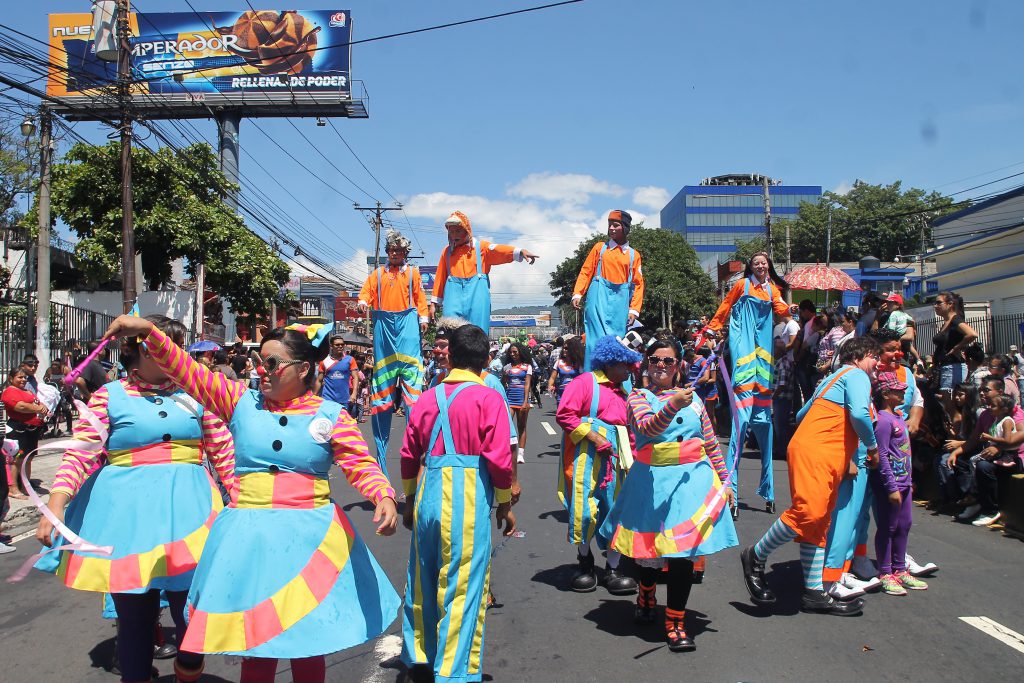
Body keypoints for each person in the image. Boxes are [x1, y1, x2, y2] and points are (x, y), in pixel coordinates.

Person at [101, 315, 401, 683]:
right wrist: (150, 333)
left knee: (308, 644)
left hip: (310, 538)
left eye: (272, 363)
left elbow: (360, 463)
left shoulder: (332, 416)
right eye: (260, 361)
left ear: (303, 368)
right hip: (249, 540)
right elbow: (187, 371)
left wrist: (383, 494)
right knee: (256, 646)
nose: (262, 370)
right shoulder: (239, 400)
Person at [35, 315, 237, 683]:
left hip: (192, 515)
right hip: (127, 521)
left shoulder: (197, 395)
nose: (179, 355)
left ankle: (189, 666)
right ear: (143, 349)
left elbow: (225, 454)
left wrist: (245, 505)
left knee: (194, 609)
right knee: (134, 617)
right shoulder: (108, 396)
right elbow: (80, 454)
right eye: (171, 346)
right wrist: (56, 504)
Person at [602, 340, 737, 652]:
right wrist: (673, 404)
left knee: (682, 555)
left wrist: (725, 480)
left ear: (679, 366)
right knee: (649, 553)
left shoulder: (695, 400)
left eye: (668, 361)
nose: (661, 366)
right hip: (651, 484)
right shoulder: (638, 397)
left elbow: (709, 442)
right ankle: (646, 594)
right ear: (647, 364)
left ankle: (675, 622)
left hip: (691, 484)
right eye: (655, 360)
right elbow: (648, 429)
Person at [399, 323, 515, 683]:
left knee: (423, 577)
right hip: (466, 497)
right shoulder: (489, 398)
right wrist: (505, 503)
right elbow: (499, 459)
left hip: (428, 493)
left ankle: (420, 655)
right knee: (462, 585)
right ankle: (452, 671)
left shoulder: (427, 397)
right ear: (486, 360)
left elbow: (408, 454)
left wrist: (410, 499)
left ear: (451, 355)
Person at [740, 336, 880, 617]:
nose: (877, 365)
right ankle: (755, 554)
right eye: (875, 358)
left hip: (821, 453)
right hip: (818, 453)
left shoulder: (830, 379)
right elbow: (860, 414)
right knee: (809, 513)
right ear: (862, 355)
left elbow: (804, 413)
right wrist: (872, 446)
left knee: (817, 523)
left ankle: (815, 593)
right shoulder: (856, 374)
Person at [555, 335, 641, 595]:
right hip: (585, 457)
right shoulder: (585, 383)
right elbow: (565, 414)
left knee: (615, 511)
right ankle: (585, 561)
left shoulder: (626, 393)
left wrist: (634, 458)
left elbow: (631, 431)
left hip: (617, 461)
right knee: (583, 511)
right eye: (625, 364)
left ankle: (613, 568)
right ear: (611, 362)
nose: (630, 370)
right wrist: (594, 437)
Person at [708, 252, 790, 516]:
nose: (761, 266)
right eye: (756, 263)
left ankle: (768, 490)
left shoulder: (773, 289)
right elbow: (725, 306)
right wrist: (713, 327)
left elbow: (781, 309)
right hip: (744, 347)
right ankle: (731, 488)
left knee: (764, 422)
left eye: (764, 262)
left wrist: (790, 313)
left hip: (763, 356)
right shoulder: (742, 286)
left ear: (769, 266)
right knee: (740, 424)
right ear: (751, 267)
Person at [429, 211, 538, 333]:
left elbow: (498, 250)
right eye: (451, 232)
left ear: (467, 230)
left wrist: (519, 251)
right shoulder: (447, 252)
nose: (454, 235)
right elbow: (440, 278)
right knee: (449, 330)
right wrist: (433, 304)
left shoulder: (481, 248)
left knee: (478, 331)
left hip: (477, 296)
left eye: (458, 231)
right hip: (453, 297)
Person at [871, 372, 928, 595]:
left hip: (904, 482)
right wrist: (891, 486)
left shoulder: (898, 418)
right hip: (890, 485)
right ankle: (885, 572)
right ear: (886, 394)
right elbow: (882, 455)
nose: (903, 392)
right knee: (888, 527)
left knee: (904, 525)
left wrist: (908, 481)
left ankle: (900, 568)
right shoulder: (883, 422)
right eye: (898, 390)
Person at [572, 210, 646, 370]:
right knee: (594, 339)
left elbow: (638, 284)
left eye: (616, 225)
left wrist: (634, 310)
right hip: (597, 299)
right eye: (609, 224)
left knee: (617, 340)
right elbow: (586, 271)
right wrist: (578, 293)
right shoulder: (600, 248)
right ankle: (593, 376)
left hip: (620, 304)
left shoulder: (633, 255)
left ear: (625, 228)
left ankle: (617, 378)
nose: (611, 228)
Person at [2, 367, 48, 499]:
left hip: (32, 430)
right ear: (11, 379)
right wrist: (37, 408)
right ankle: (13, 488)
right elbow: (20, 406)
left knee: (28, 458)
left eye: (24, 377)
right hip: (19, 429)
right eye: (19, 377)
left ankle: (25, 486)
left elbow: (38, 403)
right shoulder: (9, 391)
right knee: (17, 459)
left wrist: (42, 408)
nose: (23, 380)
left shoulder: (27, 391)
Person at [932, 291, 979, 396]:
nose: (935, 306)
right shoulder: (946, 322)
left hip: (952, 368)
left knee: (949, 402)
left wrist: (956, 348)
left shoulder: (955, 320)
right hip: (944, 367)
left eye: (939, 303)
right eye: (935, 303)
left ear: (950, 304)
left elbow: (972, 334)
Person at [502, 342, 534, 458]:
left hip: (522, 400)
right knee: (507, 425)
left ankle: (520, 453)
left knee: (521, 426)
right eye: (510, 352)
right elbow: (503, 383)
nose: (512, 354)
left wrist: (526, 402)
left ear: (520, 352)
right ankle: (507, 451)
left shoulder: (527, 367)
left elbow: (527, 384)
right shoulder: (507, 367)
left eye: (515, 352)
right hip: (509, 399)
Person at [317, 337, 361, 413]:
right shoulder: (324, 361)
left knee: (342, 420)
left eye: (342, 344)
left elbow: (355, 377)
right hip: (328, 399)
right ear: (331, 346)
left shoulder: (350, 359)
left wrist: (354, 394)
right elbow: (319, 380)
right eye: (337, 345)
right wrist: (314, 395)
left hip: (344, 399)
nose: (340, 346)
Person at [687, 346, 718, 434]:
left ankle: (714, 433)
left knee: (710, 413)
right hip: (700, 390)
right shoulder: (698, 363)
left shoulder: (711, 364)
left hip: (710, 391)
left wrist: (700, 381)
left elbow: (713, 379)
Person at [548, 335, 585, 404]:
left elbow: (583, 379)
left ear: (572, 350)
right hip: (561, 394)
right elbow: (552, 378)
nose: (564, 350)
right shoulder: (558, 362)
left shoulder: (578, 364)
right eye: (564, 348)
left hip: (575, 394)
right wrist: (550, 386)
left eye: (567, 348)